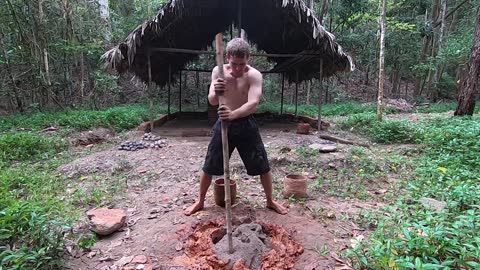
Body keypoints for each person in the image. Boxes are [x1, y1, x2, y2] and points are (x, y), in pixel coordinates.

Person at [184, 38, 287, 216]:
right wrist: (216, 90)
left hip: (246, 124)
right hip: (223, 124)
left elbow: (253, 103)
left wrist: (234, 114)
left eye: (242, 63)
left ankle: (270, 201)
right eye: (234, 63)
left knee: (262, 165)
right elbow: (212, 100)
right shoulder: (218, 71)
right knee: (209, 165)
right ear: (227, 57)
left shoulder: (254, 75)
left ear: (249, 58)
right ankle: (200, 201)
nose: (238, 68)